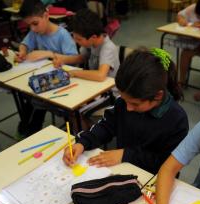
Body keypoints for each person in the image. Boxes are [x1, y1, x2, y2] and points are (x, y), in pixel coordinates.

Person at [62, 49, 189, 174]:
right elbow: (107, 126)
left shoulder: (177, 120)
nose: (128, 108)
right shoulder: (125, 102)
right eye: (124, 99)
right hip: (124, 169)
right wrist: (83, 143)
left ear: (158, 96)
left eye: (135, 104)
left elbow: (165, 163)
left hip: (153, 179)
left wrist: (126, 154)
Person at [15, 0, 78, 137]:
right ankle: (29, 133)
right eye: (29, 25)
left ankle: (31, 132)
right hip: (44, 81)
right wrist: (23, 51)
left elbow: (74, 59)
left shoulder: (62, 35)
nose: (32, 28)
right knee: (31, 99)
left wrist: (50, 54)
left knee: (36, 101)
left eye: (35, 23)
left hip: (63, 82)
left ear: (46, 15)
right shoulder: (35, 32)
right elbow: (25, 44)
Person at [52, 8, 119, 82]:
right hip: (94, 84)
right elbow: (81, 58)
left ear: (93, 37)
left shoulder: (107, 47)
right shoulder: (90, 43)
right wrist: (63, 60)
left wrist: (74, 73)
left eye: (79, 39)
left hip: (109, 90)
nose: (75, 42)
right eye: (74, 37)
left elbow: (101, 75)